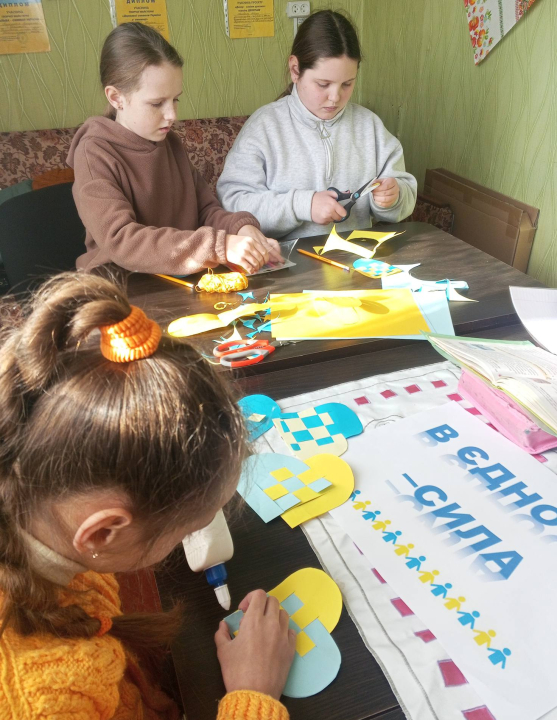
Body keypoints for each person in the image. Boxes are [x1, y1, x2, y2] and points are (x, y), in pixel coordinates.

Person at [0, 272, 295, 719]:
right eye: (186, 530)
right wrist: (254, 694)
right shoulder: (47, 702)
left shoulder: (40, 509)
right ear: (102, 533)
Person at [68, 23, 282, 276]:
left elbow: (205, 210)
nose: (172, 115)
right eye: (157, 103)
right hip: (123, 283)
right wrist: (221, 245)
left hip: (179, 278)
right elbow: (122, 240)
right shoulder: (94, 153)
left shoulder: (169, 141)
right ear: (116, 98)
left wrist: (241, 229)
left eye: (175, 99)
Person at [217, 10, 417, 241]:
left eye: (347, 84)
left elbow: (404, 192)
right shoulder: (264, 127)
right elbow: (233, 203)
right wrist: (302, 205)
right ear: (295, 69)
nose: (335, 97)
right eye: (323, 84)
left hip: (358, 256)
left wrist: (394, 197)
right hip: (282, 260)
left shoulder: (369, 126)